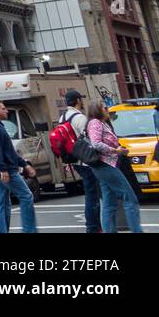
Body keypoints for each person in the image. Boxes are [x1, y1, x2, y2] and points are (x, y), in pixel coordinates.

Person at [84, 101, 142, 233]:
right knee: (130, 198)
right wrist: (116, 151)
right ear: (97, 110)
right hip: (105, 165)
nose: (107, 110)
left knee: (109, 203)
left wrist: (119, 149)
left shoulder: (102, 123)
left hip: (106, 164)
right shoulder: (95, 123)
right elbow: (96, 144)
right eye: (105, 108)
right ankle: (137, 230)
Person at [0, 99, 37, 234]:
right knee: (26, 196)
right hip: (5, 170)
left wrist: (24, 164)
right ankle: (29, 230)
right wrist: (3, 168)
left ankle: (3, 231)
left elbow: (9, 151)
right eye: (3, 108)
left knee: (3, 203)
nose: (6, 110)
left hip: (0, 170)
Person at [60, 89, 100, 235]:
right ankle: (93, 227)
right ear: (77, 100)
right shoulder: (79, 117)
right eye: (80, 99)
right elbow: (90, 138)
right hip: (86, 160)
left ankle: (93, 226)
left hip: (74, 160)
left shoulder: (63, 117)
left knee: (90, 193)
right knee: (92, 195)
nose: (82, 102)